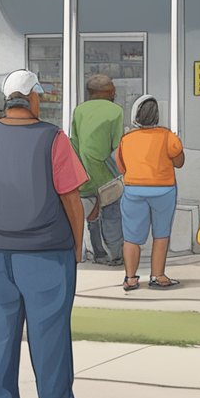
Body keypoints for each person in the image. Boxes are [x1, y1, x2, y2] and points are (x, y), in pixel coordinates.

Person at [0, 69, 88, 398]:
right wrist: (77, 247)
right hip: (47, 252)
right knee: (48, 334)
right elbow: (72, 199)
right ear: (33, 97)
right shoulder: (53, 138)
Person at [116, 95, 185, 291]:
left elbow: (121, 167)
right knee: (161, 234)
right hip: (164, 190)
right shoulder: (167, 136)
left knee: (131, 237)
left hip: (133, 190)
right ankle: (159, 276)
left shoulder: (126, 139)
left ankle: (130, 278)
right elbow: (179, 162)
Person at [71, 74, 125, 267]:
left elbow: (74, 144)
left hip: (84, 173)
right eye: (112, 89)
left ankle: (98, 253)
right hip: (106, 174)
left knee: (91, 215)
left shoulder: (78, 111)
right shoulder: (116, 112)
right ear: (106, 92)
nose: (115, 92)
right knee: (111, 213)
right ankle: (115, 254)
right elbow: (117, 146)